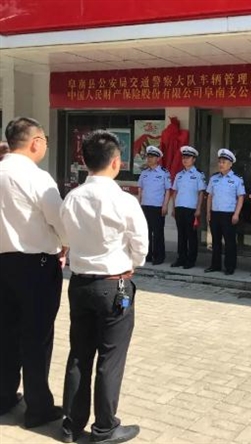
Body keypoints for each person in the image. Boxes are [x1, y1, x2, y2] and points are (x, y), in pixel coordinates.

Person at [60, 130, 148, 444]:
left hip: (80, 284)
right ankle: (105, 427)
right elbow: (141, 245)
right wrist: (131, 263)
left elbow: (65, 237)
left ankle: (71, 425)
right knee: (110, 357)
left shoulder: (72, 197)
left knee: (79, 354)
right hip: (114, 285)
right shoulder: (124, 200)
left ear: (84, 162)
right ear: (116, 162)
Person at [0, 117, 67, 428]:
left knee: (5, 332)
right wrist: (65, 244)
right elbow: (61, 222)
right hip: (35, 266)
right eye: (45, 141)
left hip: (3, 265)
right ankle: (38, 407)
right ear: (36, 142)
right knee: (37, 336)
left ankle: (3, 395)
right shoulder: (37, 178)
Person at [205, 148, 245, 275]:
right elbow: (210, 196)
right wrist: (208, 212)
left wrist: (236, 214)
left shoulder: (237, 179)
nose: (221, 164)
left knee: (229, 242)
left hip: (229, 214)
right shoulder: (214, 178)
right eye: (220, 162)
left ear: (230, 164)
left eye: (224, 162)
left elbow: (241, 197)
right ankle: (215, 265)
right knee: (215, 241)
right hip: (215, 213)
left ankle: (230, 267)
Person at [170, 146, 206, 269]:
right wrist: (174, 208)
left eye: (188, 158)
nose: (185, 160)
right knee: (181, 235)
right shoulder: (179, 175)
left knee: (191, 235)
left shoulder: (198, 174)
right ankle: (181, 258)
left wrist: (198, 208)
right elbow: (175, 192)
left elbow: (201, 193)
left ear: (194, 159)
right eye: (183, 158)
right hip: (179, 208)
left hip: (191, 209)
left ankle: (191, 260)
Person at [137, 145, 171, 265]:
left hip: (157, 206)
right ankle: (148, 255)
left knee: (158, 233)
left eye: (152, 157)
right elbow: (140, 189)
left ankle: (159, 256)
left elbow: (168, 190)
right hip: (145, 206)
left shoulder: (164, 173)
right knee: (146, 232)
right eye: (148, 157)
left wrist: (165, 205)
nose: (149, 159)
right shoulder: (144, 173)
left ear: (158, 159)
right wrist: (138, 204)